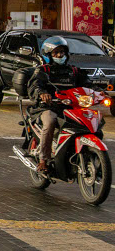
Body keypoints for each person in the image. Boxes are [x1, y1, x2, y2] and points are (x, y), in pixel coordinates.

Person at [27, 36, 88, 173]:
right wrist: (42, 94)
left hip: (70, 108)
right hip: (48, 107)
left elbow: (88, 85)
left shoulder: (74, 71)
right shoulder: (43, 70)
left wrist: (102, 94)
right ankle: (43, 160)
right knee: (50, 122)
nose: (60, 55)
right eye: (56, 53)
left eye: (62, 52)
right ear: (48, 55)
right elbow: (34, 86)